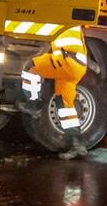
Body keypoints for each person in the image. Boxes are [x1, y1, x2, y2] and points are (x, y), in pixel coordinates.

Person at [19, 25, 89, 160]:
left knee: (31, 67)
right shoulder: (73, 21)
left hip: (68, 61)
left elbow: (38, 28)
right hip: (77, 66)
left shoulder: (61, 19)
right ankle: (77, 144)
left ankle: (34, 105)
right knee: (63, 103)